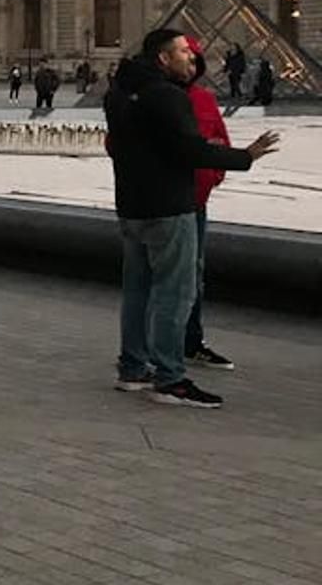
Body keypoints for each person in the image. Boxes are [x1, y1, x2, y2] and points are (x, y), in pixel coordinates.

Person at [104, 27, 276, 409]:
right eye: (184, 51)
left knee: (137, 291)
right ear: (163, 58)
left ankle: (132, 368)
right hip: (169, 207)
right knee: (175, 294)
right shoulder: (168, 96)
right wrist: (244, 157)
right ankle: (169, 378)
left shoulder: (118, 93)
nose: (192, 58)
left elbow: (119, 146)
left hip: (131, 207)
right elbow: (190, 151)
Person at [181, 38, 236, 372]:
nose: (189, 66)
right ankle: (151, 351)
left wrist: (212, 175)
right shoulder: (157, 99)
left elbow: (221, 141)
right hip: (163, 202)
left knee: (194, 275)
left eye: (194, 61)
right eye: (184, 58)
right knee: (164, 279)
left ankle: (191, 342)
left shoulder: (204, 98)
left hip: (196, 201)